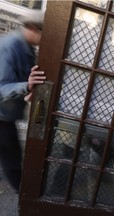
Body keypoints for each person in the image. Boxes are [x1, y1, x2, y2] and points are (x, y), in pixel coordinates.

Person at [0, 11, 46, 193]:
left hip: (6, 116)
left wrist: (27, 90)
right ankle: (26, 200)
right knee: (12, 162)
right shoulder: (11, 46)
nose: (46, 39)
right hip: (1, 118)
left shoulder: (26, 47)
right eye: (45, 33)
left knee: (11, 158)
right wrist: (26, 86)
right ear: (34, 28)